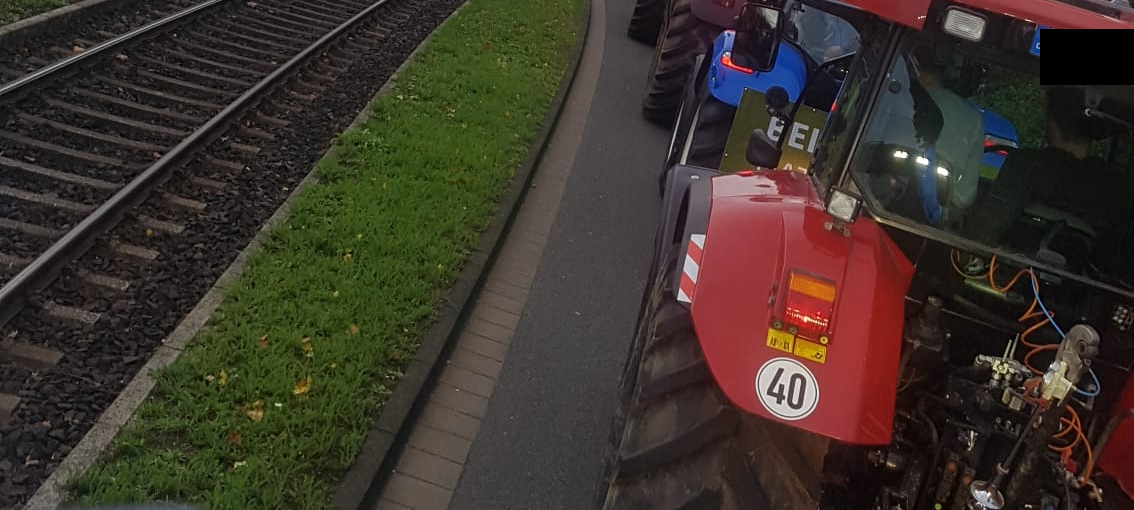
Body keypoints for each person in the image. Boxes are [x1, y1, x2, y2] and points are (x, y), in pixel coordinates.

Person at [967, 87, 1132, 265]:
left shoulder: (1026, 165)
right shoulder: (1116, 189)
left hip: (1004, 274)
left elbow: (979, 237)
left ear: (1052, 123)